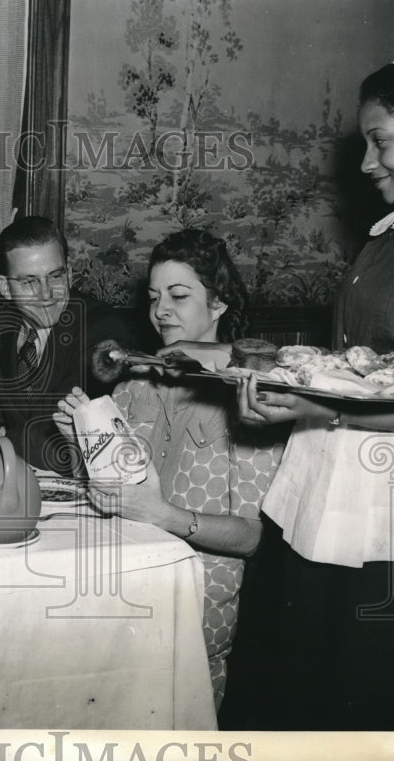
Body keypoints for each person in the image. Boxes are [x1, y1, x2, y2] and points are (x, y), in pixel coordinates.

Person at [236, 38, 394, 730]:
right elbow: (366, 369)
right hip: (329, 493)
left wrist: (327, 412)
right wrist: (293, 404)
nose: (368, 162)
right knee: (298, 689)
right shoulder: (388, 230)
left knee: (364, 699)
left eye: (382, 142)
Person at [54, 229, 286, 710]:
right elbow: (112, 488)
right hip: (120, 594)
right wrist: (81, 441)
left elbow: (253, 536)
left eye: (179, 296)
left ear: (218, 304)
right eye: (155, 297)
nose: (161, 311)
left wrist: (163, 515)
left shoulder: (251, 396)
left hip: (196, 613)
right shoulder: (137, 379)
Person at [0, 215, 133, 473]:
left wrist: (3, 439)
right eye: (29, 282)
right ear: (5, 288)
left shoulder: (102, 330)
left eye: (56, 277)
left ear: (69, 274)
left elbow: (59, 440)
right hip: (21, 479)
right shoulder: (0, 327)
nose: (46, 294)